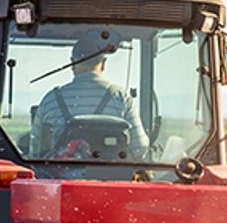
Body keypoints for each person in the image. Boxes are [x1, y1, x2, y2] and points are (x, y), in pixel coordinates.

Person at [31, 29, 149, 159]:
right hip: (112, 177)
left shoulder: (51, 99)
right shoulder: (122, 98)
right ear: (103, 64)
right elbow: (140, 147)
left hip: (62, 177)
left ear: (72, 63)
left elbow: (36, 152)